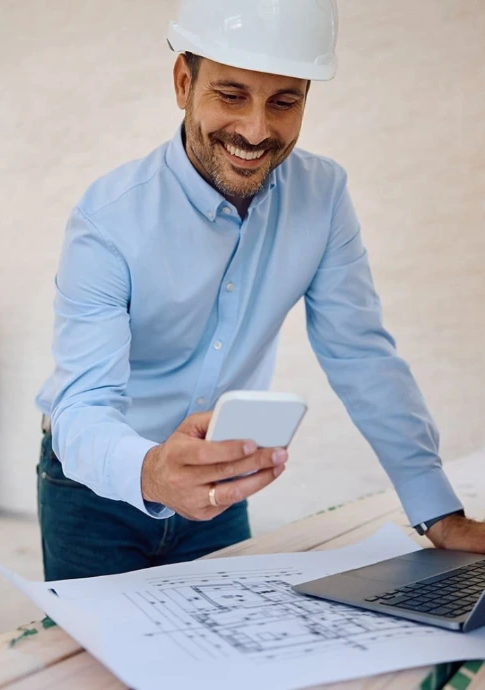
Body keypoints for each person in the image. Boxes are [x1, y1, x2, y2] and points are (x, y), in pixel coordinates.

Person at [35, 0, 485, 580]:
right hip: (94, 489)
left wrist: (437, 510)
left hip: (220, 486)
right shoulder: (108, 218)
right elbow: (83, 406)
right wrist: (149, 470)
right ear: (183, 82)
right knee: (92, 670)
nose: (255, 130)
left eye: (283, 102)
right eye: (230, 95)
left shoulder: (322, 198)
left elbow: (362, 356)